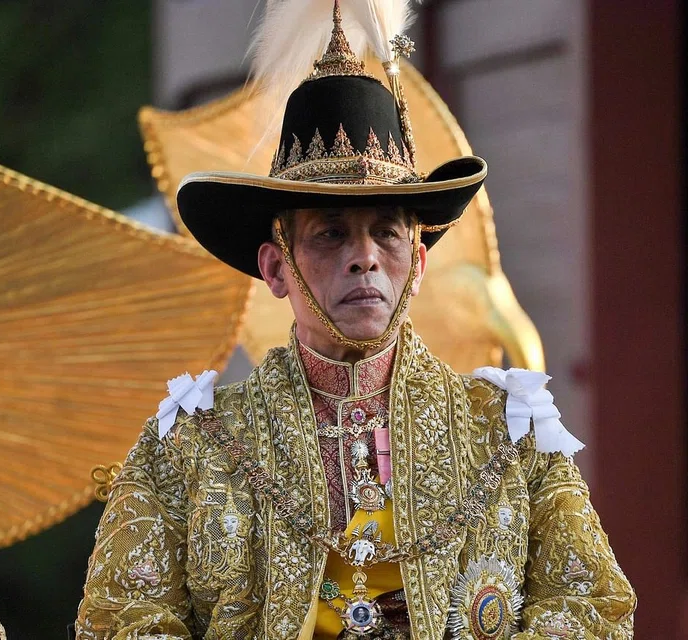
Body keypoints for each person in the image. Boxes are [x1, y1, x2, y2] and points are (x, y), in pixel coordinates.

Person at [75, 2, 635, 638]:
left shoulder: (512, 436)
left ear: (417, 263)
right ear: (275, 268)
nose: (364, 257)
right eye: (331, 233)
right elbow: (123, 621)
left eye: (387, 233)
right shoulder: (187, 449)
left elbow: (591, 608)